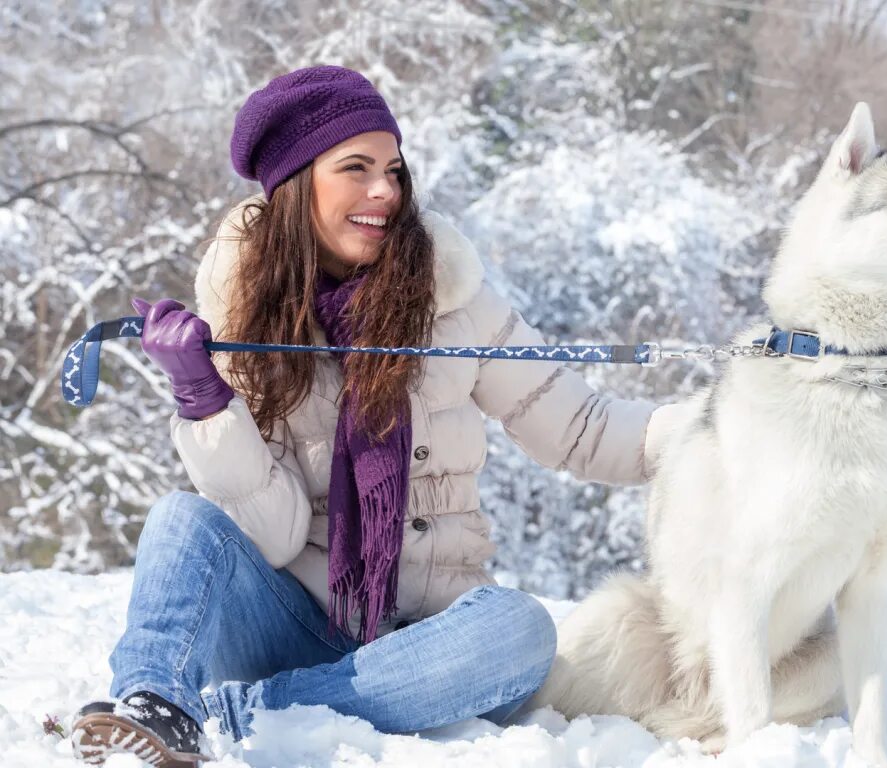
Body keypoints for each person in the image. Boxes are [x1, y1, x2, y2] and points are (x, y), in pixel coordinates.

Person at [70, 64, 685, 767]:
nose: (384, 192)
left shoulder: (453, 297)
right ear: (296, 186)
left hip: (428, 639)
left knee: (521, 628)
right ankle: (151, 704)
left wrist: (711, 430)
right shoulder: (246, 315)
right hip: (294, 619)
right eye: (355, 168)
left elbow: (581, 428)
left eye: (393, 169)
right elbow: (272, 538)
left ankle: (243, 713)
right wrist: (206, 401)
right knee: (181, 520)